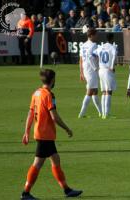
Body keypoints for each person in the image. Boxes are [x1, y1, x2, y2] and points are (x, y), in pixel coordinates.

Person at [20, 69, 82, 200]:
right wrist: (67, 129)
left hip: (41, 133)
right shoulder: (49, 95)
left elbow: (31, 113)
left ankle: (66, 189)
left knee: (55, 159)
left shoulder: (36, 93)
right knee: (38, 163)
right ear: (52, 80)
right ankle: (25, 193)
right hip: (45, 135)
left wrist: (26, 131)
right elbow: (54, 116)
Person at [78, 29, 102, 118]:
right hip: (92, 70)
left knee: (95, 91)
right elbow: (90, 58)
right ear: (91, 35)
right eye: (96, 35)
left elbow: (81, 59)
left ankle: (101, 113)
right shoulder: (94, 45)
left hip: (86, 69)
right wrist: (96, 68)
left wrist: (81, 72)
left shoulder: (83, 45)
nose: (97, 36)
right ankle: (82, 113)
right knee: (90, 91)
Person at [94, 33, 117, 119]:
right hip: (108, 70)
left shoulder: (101, 47)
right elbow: (114, 56)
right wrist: (112, 66)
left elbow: (93, 54)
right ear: (112, 39)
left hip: (101, 70)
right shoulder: (112, 47)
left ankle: (104, 113)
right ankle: (106, 114)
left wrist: (96, 65)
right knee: (109, 91)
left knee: (104, 91)